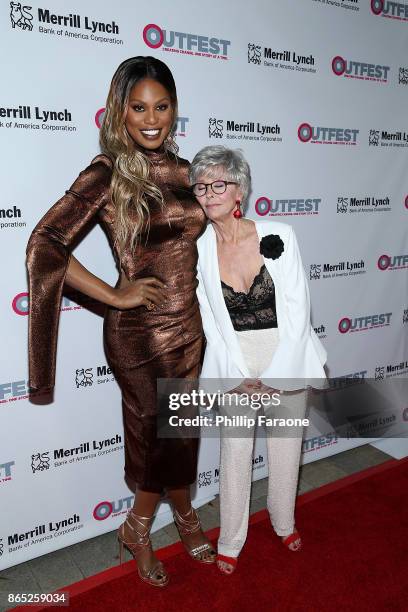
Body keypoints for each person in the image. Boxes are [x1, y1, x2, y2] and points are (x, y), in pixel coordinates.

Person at [26, 56, 216, 588]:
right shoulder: (107, 172)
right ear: (120, 111)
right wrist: (113, 292)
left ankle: (182, 514)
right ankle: (139, 526)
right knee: (154, 436)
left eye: (162, 106)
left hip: (188, 328)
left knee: (180, 432)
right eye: (138, 107)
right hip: (139, 335)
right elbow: (45, 243)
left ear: (175, 109)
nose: (151, 118)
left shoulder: (185, 171)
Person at [189, 145, 327, 574]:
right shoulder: (198, 249)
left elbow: (299, 309)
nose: (208, 193)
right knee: (234, 455)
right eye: (200, 186)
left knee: (286, 452)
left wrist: (275, 373)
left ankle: (284, 522)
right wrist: (240, 373)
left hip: (285, 359)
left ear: (239, 192)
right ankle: (230, 540)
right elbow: (210, 319)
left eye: (218, 184)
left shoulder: (278, 234)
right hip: (235, 365)